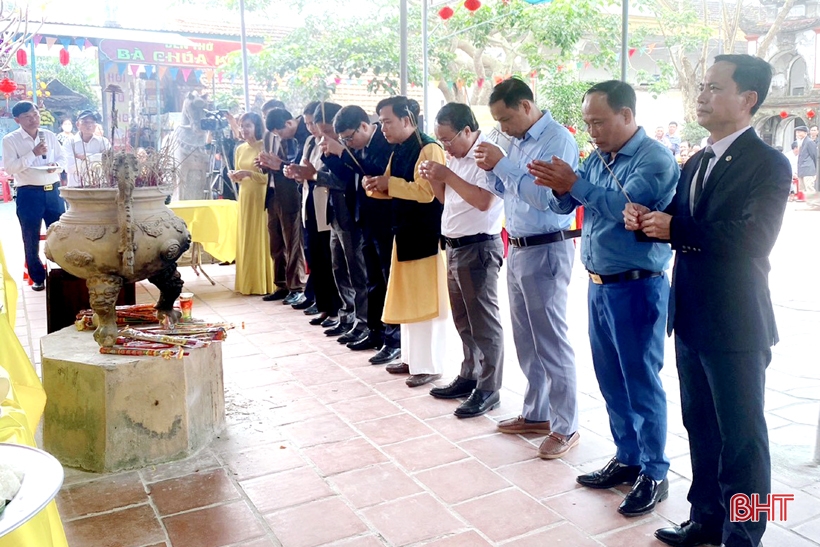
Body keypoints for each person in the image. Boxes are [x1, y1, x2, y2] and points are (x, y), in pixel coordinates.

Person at [626, 54, 791, 547]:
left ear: (748, 100)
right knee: (700, 423)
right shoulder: (697, 160)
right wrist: (647, 220)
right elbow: (678, 223)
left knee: (742, 437)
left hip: (737, 321)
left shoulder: (769, 164)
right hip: (692, 315)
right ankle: (707, 519)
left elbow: (752, 239)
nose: (702, 95)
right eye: (701, 85)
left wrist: (677, 227)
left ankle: (745, 532)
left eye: (715, 87)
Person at [530, 80, 678, 515]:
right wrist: (561, 187)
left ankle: (655, 470)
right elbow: (566, 207)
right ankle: (627, 457)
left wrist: (576, 183)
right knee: (610, 377)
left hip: (638, 286)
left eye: (599, 121)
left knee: (641, 381)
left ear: (627, 115)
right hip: (598, 284)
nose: (591, 130)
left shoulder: (654, 159)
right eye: (588, 122)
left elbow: (630, 209)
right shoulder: (598, 158)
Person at [475, 77, 579, 459]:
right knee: (527, 339)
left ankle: (565, 426)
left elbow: (545, 199)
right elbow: (504, 190)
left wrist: (504, 165)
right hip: (516, 246)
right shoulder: (510, 142)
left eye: (505, 119)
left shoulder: (558, 140)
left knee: (551, 339)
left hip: (547, 247)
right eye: (497, 122)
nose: (502, 128)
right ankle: (536, 413)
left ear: (525, 106)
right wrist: (489, 167)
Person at [420, 103, 505, 418]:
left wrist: (447, 174)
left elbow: (483, 201)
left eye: (448, 139)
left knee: (485, 323)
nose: (445, 146)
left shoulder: (487, 156)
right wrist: (434, 179)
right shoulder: (454, 158)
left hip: (479, 247)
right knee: (463, 320)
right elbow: (447, 199)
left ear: (468, 130)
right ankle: (469, 374)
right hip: (454, 246)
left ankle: (489, 388)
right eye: (440, 140)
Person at [362, 96, 447, 388]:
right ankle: (412, 358)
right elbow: (392, 184)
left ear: (407, 120)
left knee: (424, 302)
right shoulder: (398, 150)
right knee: (409, 298)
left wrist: (389, 185)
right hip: (404, 232)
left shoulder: (429, 148)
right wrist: (375, 185)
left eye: (387, 121)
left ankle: (430, 364)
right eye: (381, 122)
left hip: (425, 235)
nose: (382, 127)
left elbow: (427, 193)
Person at [331, 105, 401, 364]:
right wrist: (333, 156)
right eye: (345, 140)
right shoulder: (357, 146)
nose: (349, 142)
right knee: (372, 279)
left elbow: (377, 170)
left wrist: (345, 153)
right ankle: (375, 330)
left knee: (386, 279)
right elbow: (350, 176)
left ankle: (394, 338)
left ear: (363, 125)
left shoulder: (385, 142)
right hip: (365, 218)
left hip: (386, 219)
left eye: (350, 137)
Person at [313, 102, 370, 346]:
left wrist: (315, 176)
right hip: (333, 210)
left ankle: (364, 320)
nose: (324, 136)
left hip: (350, 213)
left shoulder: (352, 146)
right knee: (339, 266)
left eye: (329, 131)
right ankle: (347, 315)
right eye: (321, 130)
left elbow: (347, 179)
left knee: (357, 270)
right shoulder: (330, 146)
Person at [284, 102, 342, 329]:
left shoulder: (337, 144)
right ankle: (324, 305)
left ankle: (336, 309)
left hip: (327, 204)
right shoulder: (310, 142)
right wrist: (296, 173)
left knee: (330, 261)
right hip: (309, 202)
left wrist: (313, 174)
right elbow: (305, 169)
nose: (312, 129)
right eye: (308, 124)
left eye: (316, 125)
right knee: (315, 256)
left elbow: (332, 175)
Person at [2, 101, 66, 291]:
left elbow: (63, 158)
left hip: (52, 190)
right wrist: (33, 153)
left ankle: (62, 270)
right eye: (27, 117)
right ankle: (37, 277)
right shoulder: (10, 140)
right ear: (17, 120)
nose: (33, 119)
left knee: (59, 234)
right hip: (29, 193)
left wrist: (57, 166)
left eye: (35, 114)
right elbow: (11, 168)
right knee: (30, 237)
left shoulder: (49, 135)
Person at [257, 104, 308, 307]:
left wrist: (278, 165)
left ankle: (297, 287)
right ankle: (281, 285)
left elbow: (295, 165)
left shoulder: (300, 136)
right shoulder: (270, 135)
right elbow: (272, 162)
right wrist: (263, 165)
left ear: (288, 121)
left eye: (280, 131)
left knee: (292, 242)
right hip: (272, 193)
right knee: (276, 243)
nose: (278, 135)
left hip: (290, 195)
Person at [229, 112, 275, 296]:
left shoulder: (264, 147)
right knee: (246, 236)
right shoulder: (240, 148)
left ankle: (263, 283)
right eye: (241, 126)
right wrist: (236, 176)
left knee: (261, 235)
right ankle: (248, 281)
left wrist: (248, 174)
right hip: (245, 196)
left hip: (260, 196)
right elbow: (240, 174)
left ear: (257, 127)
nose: (244, 129)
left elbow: (268, 177)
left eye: (248, 125)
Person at [63, 110, 111, 187]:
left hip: (99, 186)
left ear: (95, 125)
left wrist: (85, 157)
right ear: (78, 124)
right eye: (85, 122)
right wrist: (97, 158)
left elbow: (107, 162)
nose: (89, 125)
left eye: (92, 122)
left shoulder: (103, 142)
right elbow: (69, 167)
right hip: (76, 186)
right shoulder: (69, 143)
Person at [795, 125, 816, 200]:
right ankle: (806, 203)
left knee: (809, 187)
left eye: (799, 132)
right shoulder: (800, 141)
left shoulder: (809, 142)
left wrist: (815, 168)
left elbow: (814, 155)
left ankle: (813, 204)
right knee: (802, 188)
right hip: (802, 169)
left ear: (805, 133)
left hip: (808, 168)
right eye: (796, 132)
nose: (797, 134)